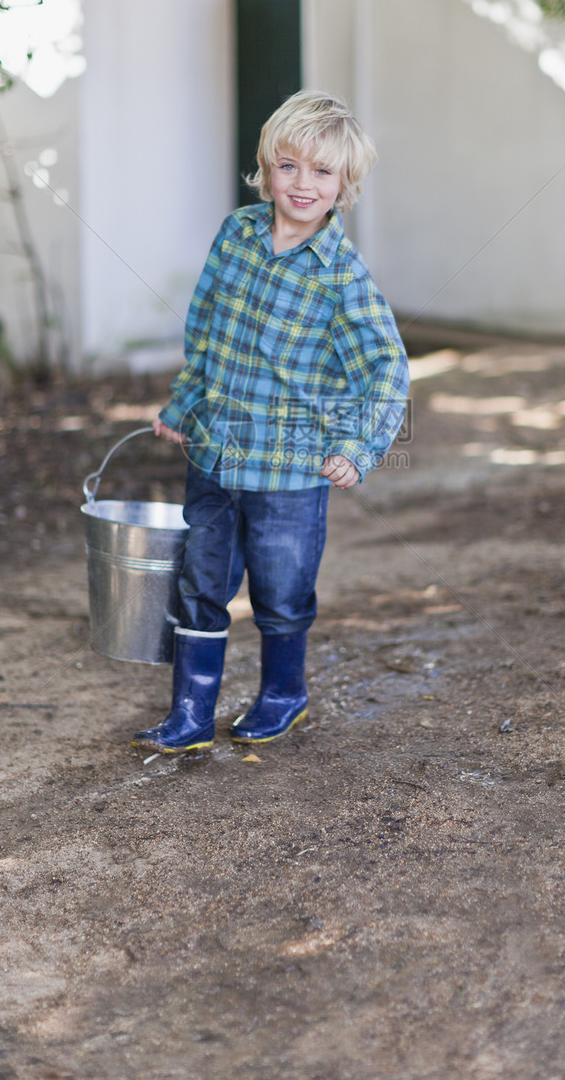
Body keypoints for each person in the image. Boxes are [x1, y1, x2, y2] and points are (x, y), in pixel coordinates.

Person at [133, 91, 409, 754]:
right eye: (289, 167)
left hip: (290, 471)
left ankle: (284, 694)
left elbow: (386, 368)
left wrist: (356, 446)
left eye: (322, 172)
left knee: (281, 590)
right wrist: (183, 405)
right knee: (201, 581)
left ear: (345, 185)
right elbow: (205, 334)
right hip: (216, 455)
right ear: (267, 168)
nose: (303, 184)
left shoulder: (341, 274)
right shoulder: (236, 234)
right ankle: (191, 713)